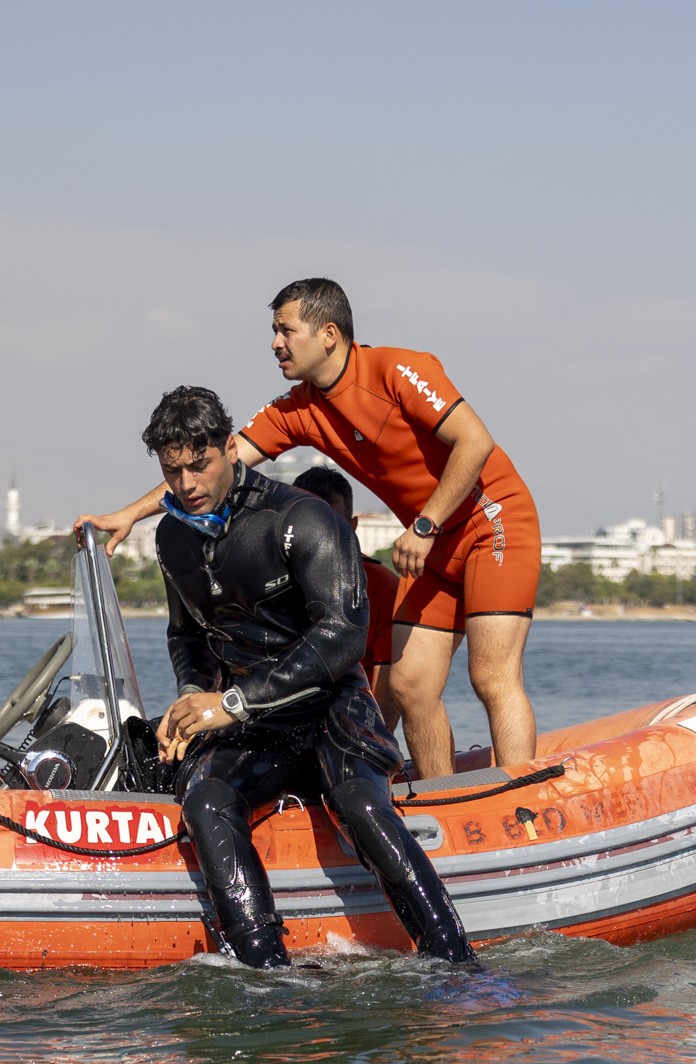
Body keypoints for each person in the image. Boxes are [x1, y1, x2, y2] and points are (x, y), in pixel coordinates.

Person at [82, 278, 539, 781]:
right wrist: (130, 513)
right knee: (411, 687)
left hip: (490, 524)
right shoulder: (298, 409)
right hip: (429, 546)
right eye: (273, 330)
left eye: (285, 330)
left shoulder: (400, 370)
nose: (275, 342)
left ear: (328, 333)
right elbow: (208, 469)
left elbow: (475, 442)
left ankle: (520, 801)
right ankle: (442, 804)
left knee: (491, 676)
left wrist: (427, 523)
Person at [145, 386, 472, 969]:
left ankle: (455, 961)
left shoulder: (301, 518)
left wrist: (235, 702)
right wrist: (194, 696)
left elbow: (343, 636)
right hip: (250, 725)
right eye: (173, 472)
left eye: (200, 465)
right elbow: (188, 636)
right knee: (206, 797)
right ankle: (263, 971)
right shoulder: (172, 537)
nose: (187, 484)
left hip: (331, 713)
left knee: (357, 802)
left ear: (229, 449)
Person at [292, 465, 401, 734]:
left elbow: (388, 691)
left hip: (352, 726)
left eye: (331, 522)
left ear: (351, 526)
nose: (319, 535)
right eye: (310, 522)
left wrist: (373, 742)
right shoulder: (263, 580)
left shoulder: (383, 586)